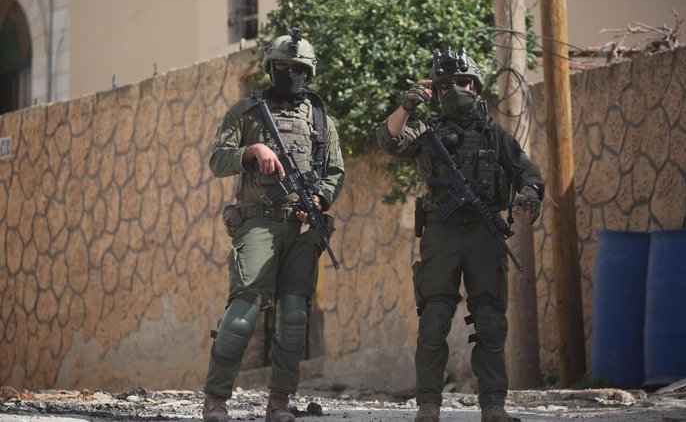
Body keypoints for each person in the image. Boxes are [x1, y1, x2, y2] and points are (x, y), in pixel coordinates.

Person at [376, 47, 544, 422]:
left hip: (485, 233)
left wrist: (529, 196)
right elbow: (388, 141)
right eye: (447, 84)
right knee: (434, 318)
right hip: (442, 232)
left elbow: (527, 173)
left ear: (477, 86)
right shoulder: (425, 132)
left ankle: (494, 407)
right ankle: (429, 407)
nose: (457, 89)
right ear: (435, 91)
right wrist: (407, 106)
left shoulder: (495, 136)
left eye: (464, 82)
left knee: (490, 320)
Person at [202, 29, 345, 422]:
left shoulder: (320, 120)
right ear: (270, 68)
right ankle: (215, 400)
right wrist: (251, 149)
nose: (290, 73)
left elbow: (335, 172)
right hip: (258, 222)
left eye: (298, 68)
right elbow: (217, 160)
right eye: (283, 66)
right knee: (243, 311)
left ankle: (279, 402)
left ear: (309, 72)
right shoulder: (245, 112)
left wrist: (321, 198)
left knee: (294, 315)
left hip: (302, 227)